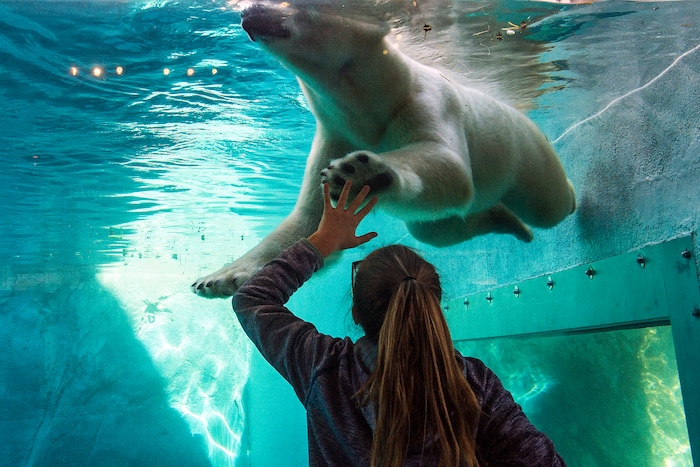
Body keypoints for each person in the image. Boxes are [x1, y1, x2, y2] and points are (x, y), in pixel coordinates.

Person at [232, 181, 565, 466]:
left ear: (358, 314)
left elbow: (252, 299)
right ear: (432, 307)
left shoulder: (324, 369)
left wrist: (323, 241)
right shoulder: (473, 384)